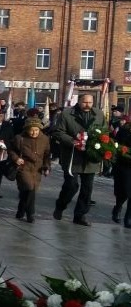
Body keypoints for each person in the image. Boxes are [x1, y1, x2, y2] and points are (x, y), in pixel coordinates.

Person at [51, 94, 106, 226]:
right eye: (85, 102)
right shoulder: (67, 114)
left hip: (91, 156)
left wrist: (100, 142)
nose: (87, 105)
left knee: (87, 188)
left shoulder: (98, 114)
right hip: (72, 156)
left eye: (90, 102)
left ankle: (80, 215)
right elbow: (58, 132)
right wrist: (72, 141)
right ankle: (60, 206)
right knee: (71, 185)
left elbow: (104, 131)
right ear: (79, 101)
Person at [9, 117, 51, 223]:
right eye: (31, 130)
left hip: (37, 169)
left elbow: (47, 155)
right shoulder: (19, 138)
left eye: (36, 130)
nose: (34, 132)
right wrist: (16, 158)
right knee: (29, 187)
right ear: (27, 129)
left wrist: (46, 167)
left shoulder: (44, 139)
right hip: (24, 167)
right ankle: (30, 214)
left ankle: (20, 210)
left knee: (28, 191)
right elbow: (11, 150)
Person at [112, 115, 131, 228]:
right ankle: (118, 207)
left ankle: (128, 218)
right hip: (125, 165)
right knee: (123, 192)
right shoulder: (125, 130)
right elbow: (118, 145)